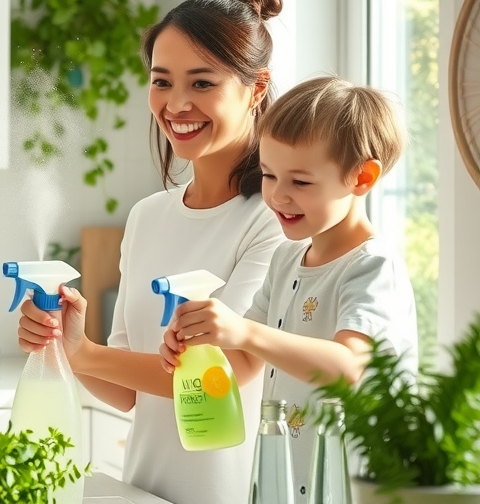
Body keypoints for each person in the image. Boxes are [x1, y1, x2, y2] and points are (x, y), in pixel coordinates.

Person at [16, 0, 286, 504]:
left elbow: (223, 373)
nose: (176, 104)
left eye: (202, 83)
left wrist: (85, 351)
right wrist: (65, 343)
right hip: (143, 491)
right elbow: (126, 393)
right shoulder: (147, 216)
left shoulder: (271, 222)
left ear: (256, 89)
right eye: (162, 81)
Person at [160, 75, 419, 501]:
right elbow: (244, 356)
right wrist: (196, 344)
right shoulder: (286, 260)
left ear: (361, 177)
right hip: (284, 484)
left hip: (353, 489)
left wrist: (244, 331)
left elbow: (348, 368)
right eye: (268, 175)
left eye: (300, 182)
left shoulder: (372, 267)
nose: (277, 196)